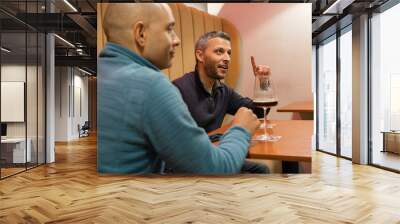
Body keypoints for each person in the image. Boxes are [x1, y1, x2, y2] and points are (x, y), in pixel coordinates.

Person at [97, 3, 260, 174]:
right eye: (169, 29)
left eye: (229, 53)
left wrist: (263, 82)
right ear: (141, 34)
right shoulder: (154, 86)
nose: (177, 40)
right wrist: (240, 130)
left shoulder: (100, 73)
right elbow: (215, 170)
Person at [173, 31, 271, 173]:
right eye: (219, 52)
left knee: (261, 169)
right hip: (188, 165)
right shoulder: (178, 89)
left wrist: (263, 81)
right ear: (200, 55)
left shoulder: (223, 91)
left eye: (229, 53)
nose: (227, 58)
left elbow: (259, 111)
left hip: (213, 156)